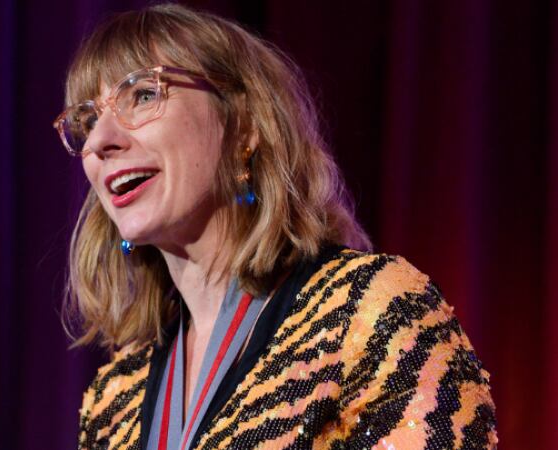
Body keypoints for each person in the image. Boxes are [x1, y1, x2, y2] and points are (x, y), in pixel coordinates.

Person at [53, 4, 497, 449]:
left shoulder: (367, 314)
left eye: (143, 94)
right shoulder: (115, 400)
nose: (98, 141)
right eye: (88, 120)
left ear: (244, 124)